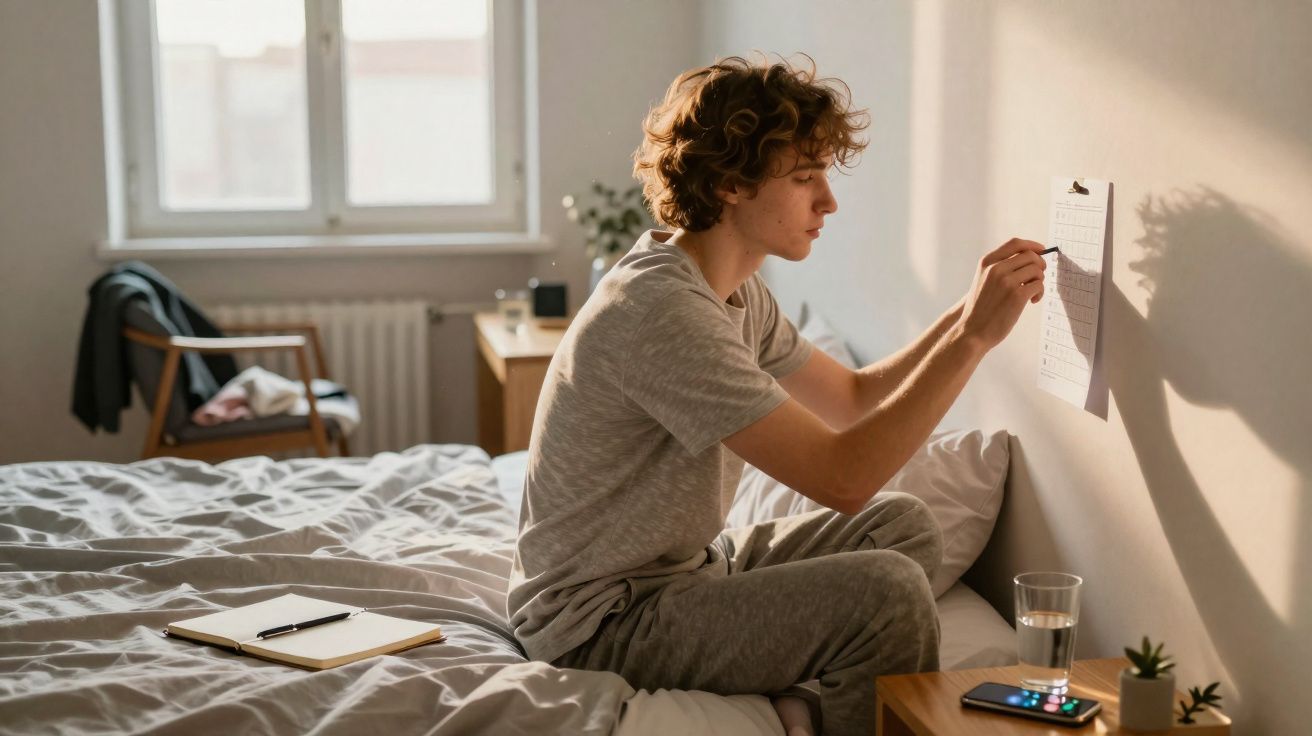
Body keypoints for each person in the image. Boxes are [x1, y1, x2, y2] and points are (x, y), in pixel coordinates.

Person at [507, 54, 1047, 736]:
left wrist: (966, 313)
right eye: (803, 178)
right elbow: (842, 479)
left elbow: (853, 397)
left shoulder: (734, 289)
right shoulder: (662, 312)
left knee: (903, 525)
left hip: (685, 570)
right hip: (602, 621)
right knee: (887, 593)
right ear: (731, 183)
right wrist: (973, 341)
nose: (828, 201)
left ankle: (806, 693)